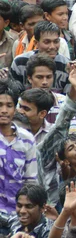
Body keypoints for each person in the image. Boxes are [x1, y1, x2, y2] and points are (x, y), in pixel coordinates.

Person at [0, 80, 37, 214]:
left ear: (15, 108)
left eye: (9, 105)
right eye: (0, 105)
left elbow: (30, 180)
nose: (4, 111)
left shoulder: (27, 139)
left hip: (16, 215)